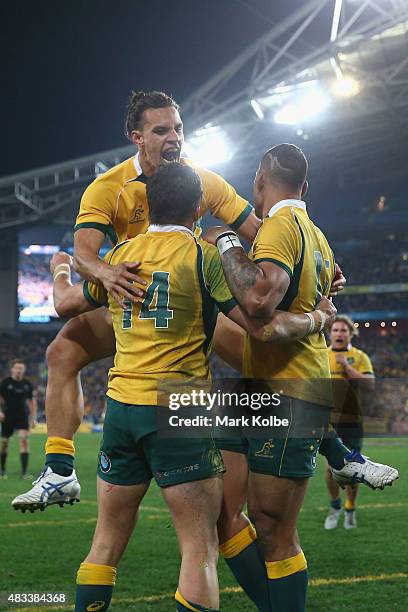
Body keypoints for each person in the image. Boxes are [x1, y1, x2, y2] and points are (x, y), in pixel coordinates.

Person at [14, 90, 345, 511]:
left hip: (189, 301)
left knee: (265, 342)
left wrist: (316, 263)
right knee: (61, 351)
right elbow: (84, 253)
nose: (174, 137)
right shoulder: (108, 187)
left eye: (178, 128)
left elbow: (262, 231)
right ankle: (59, 470)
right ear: (137, 136)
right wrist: (105, 272)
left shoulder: (202, 179)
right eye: (161, 130)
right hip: (133, 299)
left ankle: (335, 445)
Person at [43, 163, 335, 612]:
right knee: (199, 548)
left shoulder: (121, 256)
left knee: (104, 545)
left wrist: (62, 268)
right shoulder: (203, 256)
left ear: (149, 206)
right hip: (179, 410)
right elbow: (258, 324)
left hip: (121, 409)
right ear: (199, 208)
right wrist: (316, 312)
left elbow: (64, 304)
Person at [205, 144, 398, 612]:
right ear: (305, 188)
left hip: (291, 394)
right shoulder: (315, 234)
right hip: (258, 389)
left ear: (259, 182)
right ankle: (343, 455)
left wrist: (227, 240)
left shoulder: (280, 227)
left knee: (273, 530)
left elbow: (257, 301)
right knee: (222, 517)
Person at [324, 315, 375, 530]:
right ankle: (335, 507)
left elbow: (370, 385)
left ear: (350, 334)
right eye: (335, 330)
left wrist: (347, 368)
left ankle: (350, 508)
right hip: (328, 421)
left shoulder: (360, 357)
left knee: (354, 468)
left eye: (343, 331)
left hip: (352, 420)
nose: (339, 334)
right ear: (330, 333)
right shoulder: (321, 355)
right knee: (330, 468)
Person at [0, 360, 37, 479]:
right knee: (5, 443)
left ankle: (24, 473)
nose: (18, 370)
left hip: (23, 417)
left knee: (24, 440)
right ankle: (2, 471)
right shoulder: (5, 383)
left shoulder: (27, 384)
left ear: (24, 370)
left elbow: (32, 401)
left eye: (21, 368)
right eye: (16, 368)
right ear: (12, 369)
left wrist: (33, 417)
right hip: (7, 416)